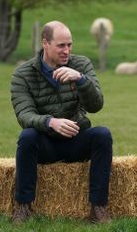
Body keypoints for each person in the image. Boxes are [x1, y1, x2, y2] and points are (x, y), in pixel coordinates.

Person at [10, 21, 113, 224]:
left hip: (76, 140)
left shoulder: (81, 64)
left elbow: (96, 105)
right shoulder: (23, 74)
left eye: (69, 45)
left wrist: (81, 80)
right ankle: (23, 207)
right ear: (45, 43)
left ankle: (98, 208)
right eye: (61, 45)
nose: (67, 51)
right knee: (27, 136)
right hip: (46, 145)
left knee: (102, 135)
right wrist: (50, 122)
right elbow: (24, 115)